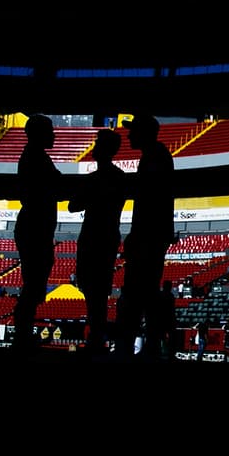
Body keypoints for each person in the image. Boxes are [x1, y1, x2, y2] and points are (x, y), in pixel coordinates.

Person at [113, 113, 176, 360]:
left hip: (148, 236)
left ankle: (139, 346)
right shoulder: (155, 155)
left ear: (144, 133)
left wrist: (137, 235)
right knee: (145, 292)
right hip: (151, 235)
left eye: (133, 130)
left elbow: (150, 202)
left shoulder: (155, 157)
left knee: (141, 292)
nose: (129, 135)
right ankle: (148, 346)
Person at [68, 127, 128, 357]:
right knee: (100, 293)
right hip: (109, 236)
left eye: (97, 144)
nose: (93, 148)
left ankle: (95, 339)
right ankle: (97, 338)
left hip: (93, 237)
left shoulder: (93, 179)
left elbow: (73, 205)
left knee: (92, 292)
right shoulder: (120, 178)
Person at [13, 114, 64, 353]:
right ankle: (22, 336)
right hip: (35, 228)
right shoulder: (36, 158)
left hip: (35, 227)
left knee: (33, 286)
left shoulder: (34, 156)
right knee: (33, 286)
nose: (54, 135)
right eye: (50, 131)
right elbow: (58, 185)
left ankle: (22, 334)